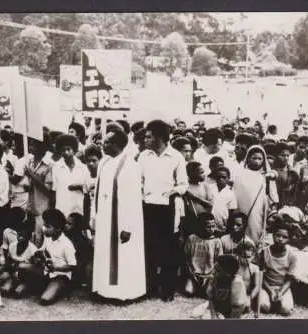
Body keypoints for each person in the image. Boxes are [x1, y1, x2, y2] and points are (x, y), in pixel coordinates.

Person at [93, 128, 146, 302]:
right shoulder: (105, 162)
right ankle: (104, 290)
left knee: (124, 256)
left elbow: (132, 199)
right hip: (105, 219)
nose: (103, 144)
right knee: (104, 253)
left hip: (122, 221)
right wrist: (95, 217)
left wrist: (128, 227)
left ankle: (125, 293)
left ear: (116, 145)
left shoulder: (131, 166)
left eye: (107, 142)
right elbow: (98, 193)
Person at [138, 120, 188, 301]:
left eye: (149, 136)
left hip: (168, 207)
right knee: (149, 246)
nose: (145, 139)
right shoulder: (143, 156)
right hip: (147, 206)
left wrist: (172, 192)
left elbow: (183, 185)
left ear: (160, 137)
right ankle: (150, 286)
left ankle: (168, 289)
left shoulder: (176, 157)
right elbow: (139, 180)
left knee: (169, 248)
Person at [233, 145, 279, 244]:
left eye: (260, 158)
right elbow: (235, 193)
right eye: (254, 158)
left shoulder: (266, 176)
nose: (257, 161)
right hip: (241, 208)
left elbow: (272, 195)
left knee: (256, 230)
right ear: (248, 158)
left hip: (258, 210)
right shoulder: (240, 175)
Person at [38, 209, 77, 306]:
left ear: (58, 229)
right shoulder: (47, 238)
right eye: (44, 225)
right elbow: (41, 251)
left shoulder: (67, 244)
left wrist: (55, 268)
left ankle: (60, 289)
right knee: (23, 266)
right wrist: (38, 256)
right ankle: (44, 286)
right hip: (46, 272)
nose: (44, 229)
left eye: (48, 227)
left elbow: (72, 266)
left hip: (61, 276)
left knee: (45, 299)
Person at [258, 222, 297, 316]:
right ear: (273, 235)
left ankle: (278, 302)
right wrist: (270, 291)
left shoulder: (291, 255)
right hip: (266, 286)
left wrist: (280, 292)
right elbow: (260, 276)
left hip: (283, 287)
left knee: (286, 310)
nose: (280, 239)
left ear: (289, 239)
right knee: (264, 306)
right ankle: (270, 301)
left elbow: (290, 279)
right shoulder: (264, 252)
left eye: (284, 237)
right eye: (278, 235)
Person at [183, 213, 223, 297]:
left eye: (213, 226)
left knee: (208, 294)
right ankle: (194, 286)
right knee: (188, 291)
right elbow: (185, 258)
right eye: (208, 226)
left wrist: (211, 275)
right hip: (193, 274)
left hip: (209, 275)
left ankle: (205, 287)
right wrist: (190, 273)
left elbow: (218, 262)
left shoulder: (217, 241)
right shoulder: (192, 238)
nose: (211, 229)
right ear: (201, 226)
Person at [23, 137, 53, 248]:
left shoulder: (49, 165)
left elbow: (47, 188)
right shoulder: (30, 162)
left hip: (42, 208)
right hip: (30, 207)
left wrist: (32, 175)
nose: (30, 147)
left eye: (33, 145)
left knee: (39, 239)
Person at [52, 134, 89, 218]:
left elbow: (88, 190)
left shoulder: (83, 168)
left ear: (74, 150)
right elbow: (54, 191)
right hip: (61, 211)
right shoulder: (56, 167)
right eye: (63, 150)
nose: (66, 153)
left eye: (68, 149)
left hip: (78, 212)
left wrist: (80, 187)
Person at [0, 224, 38, 297]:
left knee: (17, 293)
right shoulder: (12, 246)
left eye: (24, 236)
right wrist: (10, 272)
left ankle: (25, 287)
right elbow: (9, 262)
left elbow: (35, 270)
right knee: (5, 290)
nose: (20, 238)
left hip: (26, 278)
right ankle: (9, 283)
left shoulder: (33, 250)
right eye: (19, 235)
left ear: (29, 237)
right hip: (13, 274)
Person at [207, 255, 247, 319]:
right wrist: (213, 317)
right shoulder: (215, 279)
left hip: (233, 313)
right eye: (214, 268)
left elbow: (236, 309)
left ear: (228, 273)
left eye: (217, 270)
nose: (213, 272)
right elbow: (211, 299)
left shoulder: (236, 283)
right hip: (220, 310)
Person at [65, 213, 93, 287]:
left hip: (78, 270)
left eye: (69, 224)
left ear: (77, 227)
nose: (66, 225)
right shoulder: (66, 237)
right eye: (66, 223)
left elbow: (82, 262)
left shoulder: (81, 241)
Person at [211, 167, 237, 235]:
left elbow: (231, 212)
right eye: (218, 177)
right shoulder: (210, 189)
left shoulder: (231, 193)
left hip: (222, 226)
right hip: (208, 225)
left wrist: (228, 228)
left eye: (224, 177)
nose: (221, 179)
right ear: (215, 177)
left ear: (228, 178)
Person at [83, 144, 102, 233]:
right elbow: (86, 202)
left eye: (94, 161)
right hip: (92, 216)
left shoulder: (104, 177)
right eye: (88, 161)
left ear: (100, 161)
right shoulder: (86, 178)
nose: (91, 164)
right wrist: (86, 223)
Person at [274, 142, 298, 207]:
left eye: (287, 155)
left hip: (286, 205)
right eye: (283, 155)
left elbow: (294, 193)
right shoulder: (271, 170)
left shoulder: (293, 173)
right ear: (276, 155)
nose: (286, 158)